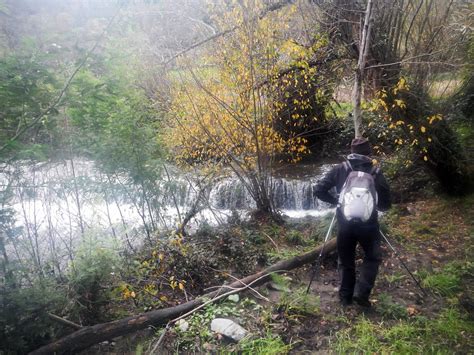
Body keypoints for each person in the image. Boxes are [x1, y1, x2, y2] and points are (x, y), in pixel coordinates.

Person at [314, 138, 391, 307]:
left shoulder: (341, 169)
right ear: (369, 153)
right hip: (369, 226)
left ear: (351, 152)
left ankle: (345, 298)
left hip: (345, 224)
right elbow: (386, 204)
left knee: (345, 259)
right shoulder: (376, 172)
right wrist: (375, 206)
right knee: (372, 257)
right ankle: (362, 293)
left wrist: (337, 201)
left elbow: (318, 189)